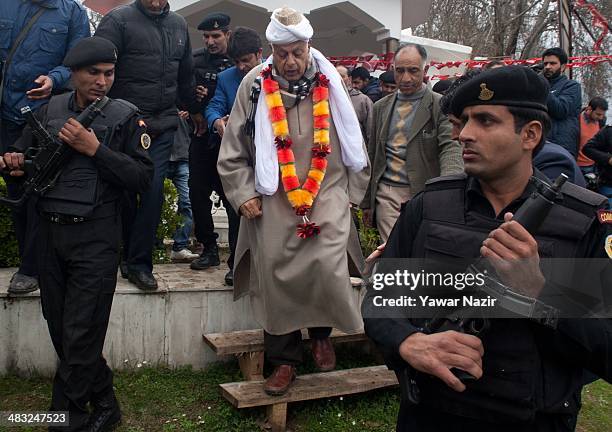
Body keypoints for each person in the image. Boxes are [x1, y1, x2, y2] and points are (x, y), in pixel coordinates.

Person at [363, 65, 611, 432]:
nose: (465, 134)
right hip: (432, 414)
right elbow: (380, 300)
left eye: (485, 121)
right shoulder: (429, 206)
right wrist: (409, 342)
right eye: (464, 121)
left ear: (529, 134)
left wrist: (540, 292)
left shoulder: (586, 222)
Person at [1, 36, 153, 432]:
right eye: (93, 73)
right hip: (50, 237)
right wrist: (14, 164)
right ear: (73, 73)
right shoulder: (48, 110)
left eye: (109, 73)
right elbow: (22, 158)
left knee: (80, 334)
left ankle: (62, 422)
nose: (102, 81)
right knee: (64, 333)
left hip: (97, 238)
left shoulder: (125, 117)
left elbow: (141, 177)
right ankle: (105, 403)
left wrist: (95, 149)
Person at [217, 6, 370, 396]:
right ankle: (284, 360)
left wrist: (351, 195)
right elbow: (232, 150)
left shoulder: (331, 81)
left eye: (297, 52)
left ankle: (321, 334)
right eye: (281, 53)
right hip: (273, 197)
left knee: (326, 263)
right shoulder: (254, 85)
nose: (290, 61)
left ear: (309, 47)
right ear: (271, 48)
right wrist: (243, 192)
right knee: (276, 275)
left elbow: (354, 144)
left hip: (327, 192)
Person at [94, 0, 205, 291]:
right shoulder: (118, 21)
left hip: (162, 123)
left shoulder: (179, 24)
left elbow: (185, 78)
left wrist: (196, 112)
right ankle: (124, 257)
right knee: (125, 193)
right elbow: (97, 70)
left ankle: (140, 264)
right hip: (125, 123)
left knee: (153, 192)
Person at [0, 0, 90, 295]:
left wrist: (54, 79)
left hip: (44, 116)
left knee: (40, 190)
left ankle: (31, 268)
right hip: (5, 116)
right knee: (15, 189)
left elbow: (75, 61)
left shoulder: (72, 13)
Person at [362, 43, 463, 242]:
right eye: (400, 71)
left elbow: (450, 148)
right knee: (393, 252)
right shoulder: (380, 107)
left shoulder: (440, 105)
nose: (406, 78)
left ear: (424, 71)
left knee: (420, 252)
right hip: (387, 194)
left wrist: (447, 193)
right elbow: (372, 152)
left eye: (413, 71)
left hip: (424, 194)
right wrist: (367, 202)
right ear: (393, 70)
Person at [204, 26, 262, 285]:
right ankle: (236, 266)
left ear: (259, 54)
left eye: (246, 61)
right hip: (239, 161)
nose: (241, 67)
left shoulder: (272, 76)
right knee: (238, 210)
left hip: (270, 160)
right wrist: (217, 121)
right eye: (236, 62)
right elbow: (214, 105)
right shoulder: (227, 78)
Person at [189, 12, 235, 274]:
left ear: (227, 35)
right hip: (201, 137)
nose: (210, 41)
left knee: (232, 199)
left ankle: (235, 259)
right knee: (197, 192)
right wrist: (194, 107)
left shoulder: (238, 61)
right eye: (206, 36)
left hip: (230, 142)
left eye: (216, 36)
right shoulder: (195, 61)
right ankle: (208, 248)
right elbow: (181, 91)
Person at [167, 111, 199, 262]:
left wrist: (191, 115)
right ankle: (154, 246)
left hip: (183, 155)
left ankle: (180, 247)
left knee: (187, 201)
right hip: (161, 155)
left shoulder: (188, 98)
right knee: (152, 203)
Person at [541, 47, 582, 157]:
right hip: (540, 143)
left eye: (553, 63)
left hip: (561, 147)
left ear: (563, 67)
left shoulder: (572, 86)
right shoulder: (540, 85)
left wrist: (541, 84)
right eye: (545, 64)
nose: (548, 67)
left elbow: (561, 110)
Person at [336, 65, 373, 146]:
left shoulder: (363, 100)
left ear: (349, 79)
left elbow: (370, 130)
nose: (338, 78)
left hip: (357, 147)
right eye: (335, 75)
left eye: (342, 76)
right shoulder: (326, 98)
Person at [577, 97, 608, 177]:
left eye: (603, 115)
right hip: (576, 164)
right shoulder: (576, 119)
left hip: (593, 166)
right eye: (598, 114)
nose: (601, 117)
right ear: (589, 109)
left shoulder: (601, 122)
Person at [584, 125, 612, 207]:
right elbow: (588, 148)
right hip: (608, 185)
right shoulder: (608, 131)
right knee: (607, 217)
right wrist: (608, 159)